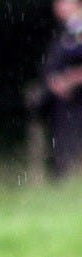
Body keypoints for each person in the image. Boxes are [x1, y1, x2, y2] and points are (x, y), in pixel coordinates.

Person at [42, 0, 82, 178]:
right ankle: (66, 176)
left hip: (77, 97)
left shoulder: (77, 28)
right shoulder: (64, 30)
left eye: (65, 2)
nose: (60, 7)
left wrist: (71, 80)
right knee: (64, 140)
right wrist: (54, 82)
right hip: (63, 100)